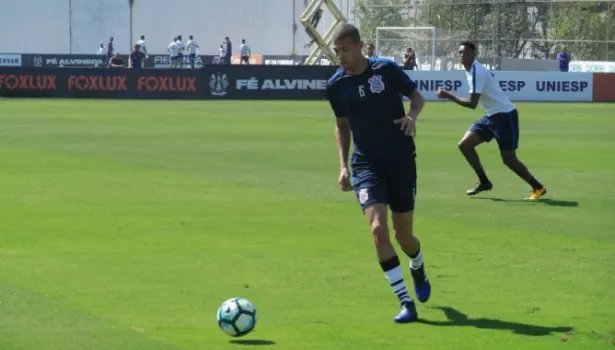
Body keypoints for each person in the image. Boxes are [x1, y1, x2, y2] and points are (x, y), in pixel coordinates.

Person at [326, 23, 431, 324]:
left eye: (346, 50)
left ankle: (418, 264)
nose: (341, 57)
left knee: (404, 235)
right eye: (337, 52)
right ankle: (405, 302)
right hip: (366, 165)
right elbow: (341, 125)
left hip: (400, 160)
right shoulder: (335, 85)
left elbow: (417, 97)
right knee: (377, 229)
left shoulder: (385, 70)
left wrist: (412, 116)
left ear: (361, 46)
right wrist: (343, 165)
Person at [435, 41, 547, 200]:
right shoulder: (471, 70)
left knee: (509, 159)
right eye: (459, 52)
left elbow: (472, 104)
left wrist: (449, 96)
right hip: (491, 116)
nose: (461, 55)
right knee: (464, 145)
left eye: (465, 52)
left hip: (504, 115)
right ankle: (484, 181)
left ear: (474, 54)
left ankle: (538, 187)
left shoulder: (477, 72)